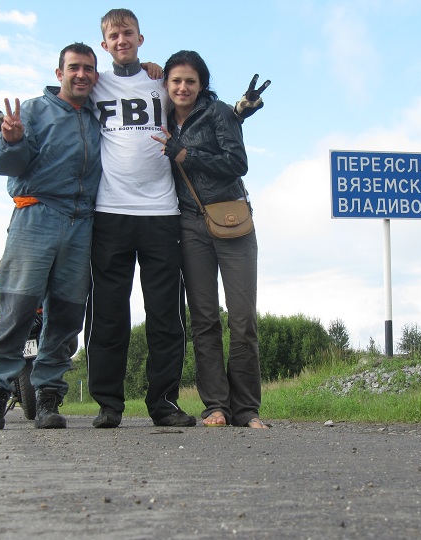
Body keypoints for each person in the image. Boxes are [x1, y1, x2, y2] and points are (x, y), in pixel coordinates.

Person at [0, 42, 102, 430]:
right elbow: (6, 165)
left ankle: (47, 397)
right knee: (17, 310)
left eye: (88, 69)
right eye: (74, 67)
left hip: (82, 223)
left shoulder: (97, 115)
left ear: (95, 75)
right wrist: (10, 139)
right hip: (35, 215)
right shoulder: (33, 110)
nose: (81, 74)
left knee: (65, 315)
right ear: (59, 73)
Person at [84, 8, 195, 428]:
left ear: (140, 38)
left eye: (127, 32)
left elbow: (196, 102)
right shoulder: (95, 84)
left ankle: (163, 402)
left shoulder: (161, 82)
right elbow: (61, 97)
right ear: (105, 44)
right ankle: (109, 404)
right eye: (113, 35)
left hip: (161, 213)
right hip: (110, 212)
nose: (121, 40)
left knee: (165, 313)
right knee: (109, 313)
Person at [152, 50, 268, 428]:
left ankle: (247, 409)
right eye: (176, 81)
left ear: (202, 85)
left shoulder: (218, 114)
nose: (183, 87)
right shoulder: (162, 118)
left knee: (242, 319)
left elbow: (238, 163)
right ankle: (216, 405)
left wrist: (188, 154)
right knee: (203, 320)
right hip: (188, 224)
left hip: (231, 220)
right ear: (166, 85)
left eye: (190, 81)